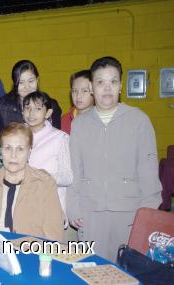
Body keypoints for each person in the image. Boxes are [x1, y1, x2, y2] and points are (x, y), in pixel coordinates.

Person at [67, 56, 162, 261]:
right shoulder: (80, 125)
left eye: (113, 81)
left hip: (130, 214)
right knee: (93, 271)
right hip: (90, 213)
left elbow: (148, 172)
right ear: (91, 87)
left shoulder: (139, 120)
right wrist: (73, 207)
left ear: (120, 86)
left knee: (126, 273)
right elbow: (75, 170)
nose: (107, 88)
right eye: (100, 82)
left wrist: (147, 216)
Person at [0, 123, 64, 241]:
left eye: (20, 149)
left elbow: (54, 238)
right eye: (8, 148)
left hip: (30, 254)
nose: (13, 155)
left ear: (29, 152)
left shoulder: (45, 185)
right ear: (0, 151)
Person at [22, 91, 72, 231]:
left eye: (38, 109)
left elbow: (68, 177)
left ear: (48, 112)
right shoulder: (18, 136)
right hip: (23, 209)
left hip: (50, 210)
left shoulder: (60, 138)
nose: (31, 113)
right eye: (27, 108)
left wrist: (41, 176)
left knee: (48, 252)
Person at [0, 60, 62, 142]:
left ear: (37, 80)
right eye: (21, 82)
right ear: (15, 84)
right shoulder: (3, 105)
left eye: (31, 81)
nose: (27, 87)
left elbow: (56, 136)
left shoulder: (51, 105)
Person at [61, 70, 94, 134]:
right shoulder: (63, 120)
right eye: (74, 91)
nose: (78, 96)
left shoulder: (103, 121)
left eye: (84, 91)